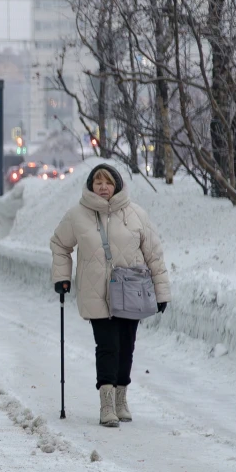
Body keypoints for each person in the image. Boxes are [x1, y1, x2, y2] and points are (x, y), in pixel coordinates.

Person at [50, 163, 170, 427]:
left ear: (116, 185)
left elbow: (154, 255)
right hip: (96, 293)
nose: (103, 187)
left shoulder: (136, 214)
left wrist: (161, 292)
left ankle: (120, 398)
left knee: (126, 346)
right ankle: (106, 404)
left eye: (107, 182)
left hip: (130, 292)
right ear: (91, 186)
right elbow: (60, 244)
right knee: (107, 346)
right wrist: (62, 277)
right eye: (98, 182)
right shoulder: (78, 215)